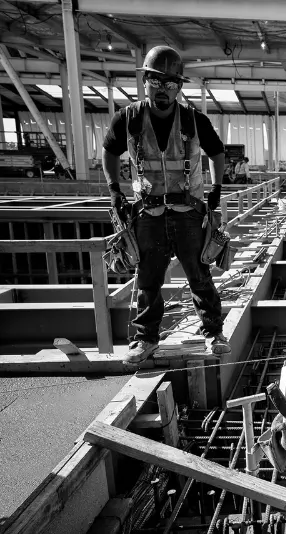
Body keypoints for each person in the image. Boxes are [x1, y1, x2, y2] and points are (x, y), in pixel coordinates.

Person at [102, 45, 231, 363]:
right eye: (157, 82)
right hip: (148, 213)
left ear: (179, 86)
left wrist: (216, 190)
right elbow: (109, 152)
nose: (163, 90)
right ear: (145, 80)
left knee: (199, 275)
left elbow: (216, 152)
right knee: (148, 278)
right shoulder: (128, 119)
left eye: (171, 83)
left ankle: (214, 333)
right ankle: (145, 339)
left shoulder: (193, 120)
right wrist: (114, 191)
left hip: (188, 212)